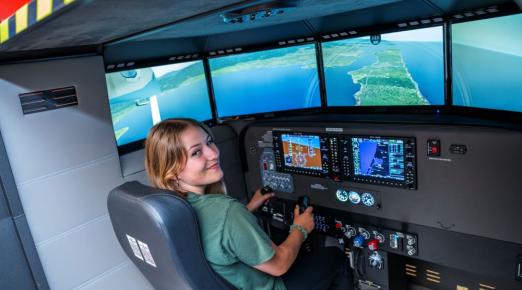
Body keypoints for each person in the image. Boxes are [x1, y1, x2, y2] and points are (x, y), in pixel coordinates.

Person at [144, 118, 353, 290]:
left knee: (281, 238)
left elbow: (212, 234)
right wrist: (300, 228)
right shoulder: (226, 211)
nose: (214, 153)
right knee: (335, 258)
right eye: (196, 152)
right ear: (172, 171)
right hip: (271, 285)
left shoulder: (170, 209)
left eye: (209, 142)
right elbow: (279, 265)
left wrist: (248, 209)